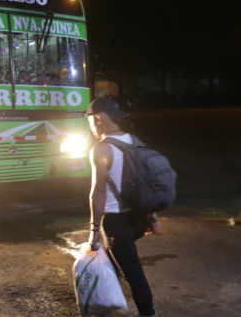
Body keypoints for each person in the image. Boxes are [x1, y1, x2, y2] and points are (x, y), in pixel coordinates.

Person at [85, 97, 159, 317]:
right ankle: (106, 302)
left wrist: (94, 231)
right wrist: (151, 215)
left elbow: (98, 193)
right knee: (113, 259)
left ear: (99, 119)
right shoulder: (135, 142)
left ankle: (149, 314)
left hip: (117, 223)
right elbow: (147, 183)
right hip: (138, 219)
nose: (90, 127)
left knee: (135, 277)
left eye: (90, 121)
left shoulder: (101, 149)